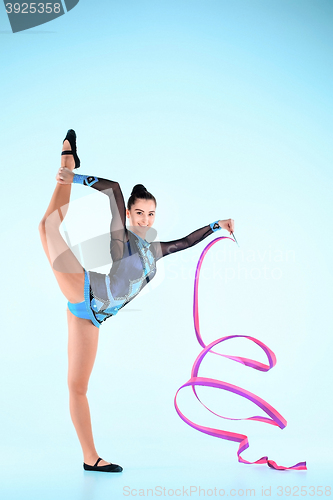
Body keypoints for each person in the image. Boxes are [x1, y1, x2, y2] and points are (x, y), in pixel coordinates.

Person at [38, 130, 235, 473]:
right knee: (47, 228)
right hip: (84, 289)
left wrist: (217, 225)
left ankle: (90, 458)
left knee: (77, 387)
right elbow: (113, 189)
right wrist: (76, 177)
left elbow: (187, 242)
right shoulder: (121, 236)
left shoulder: (157, 251)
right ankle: (66, 164)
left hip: (93, 318)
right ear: (129, 214)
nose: (145, 220)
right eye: (139, 213)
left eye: (151, 214)